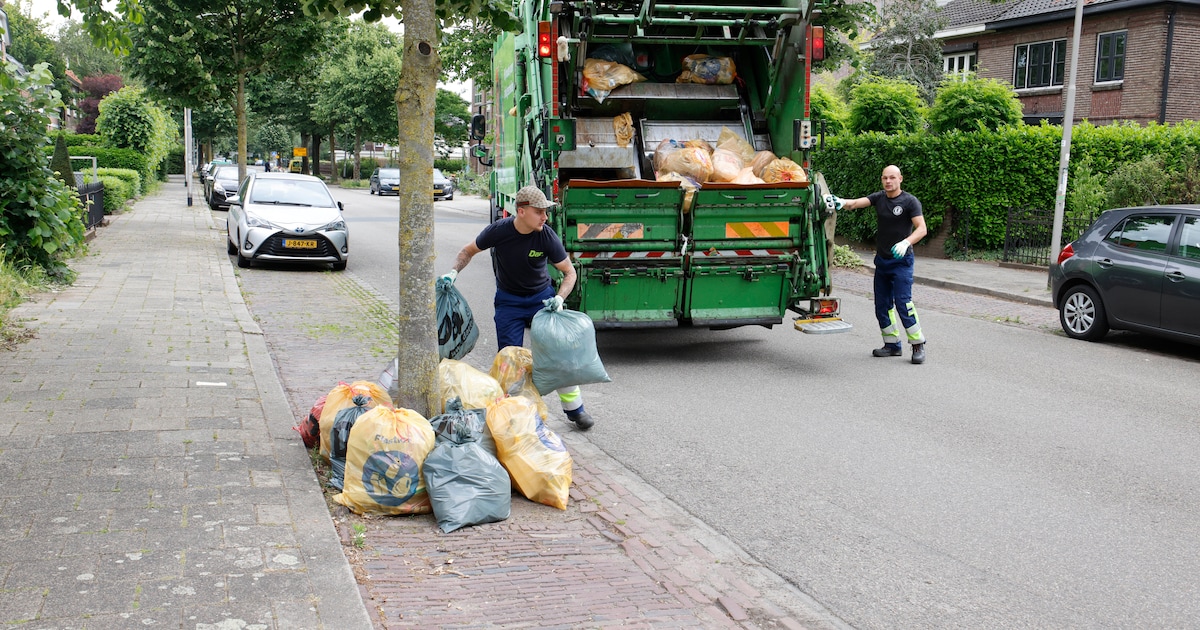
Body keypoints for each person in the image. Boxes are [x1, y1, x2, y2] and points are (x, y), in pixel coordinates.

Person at [443, 185, 595, 429]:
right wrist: (453, 272)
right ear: (521, 212)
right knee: (510, 362)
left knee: (559, 355)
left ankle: (575, 410)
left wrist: (559, 298)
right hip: (509, 302)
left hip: (542, 300)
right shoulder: (499, 231)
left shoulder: (546, 235)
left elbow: (569, 273)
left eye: (546, 211)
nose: (545, 217)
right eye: (539, 211)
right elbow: (467, 251)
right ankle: (515, 415)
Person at [825, 165, 929, 364]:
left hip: (902, 262)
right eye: (884, 178)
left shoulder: (910, 202)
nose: (888, 181)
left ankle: (918, 344)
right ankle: (892, 345)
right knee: (882, 306)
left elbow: (922, 229)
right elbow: (855, 203)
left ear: (900, 179)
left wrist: (906, 242)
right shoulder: (880, 197)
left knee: (903, 304)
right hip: (882, 261)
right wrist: (841, 202)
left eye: (892, 178)